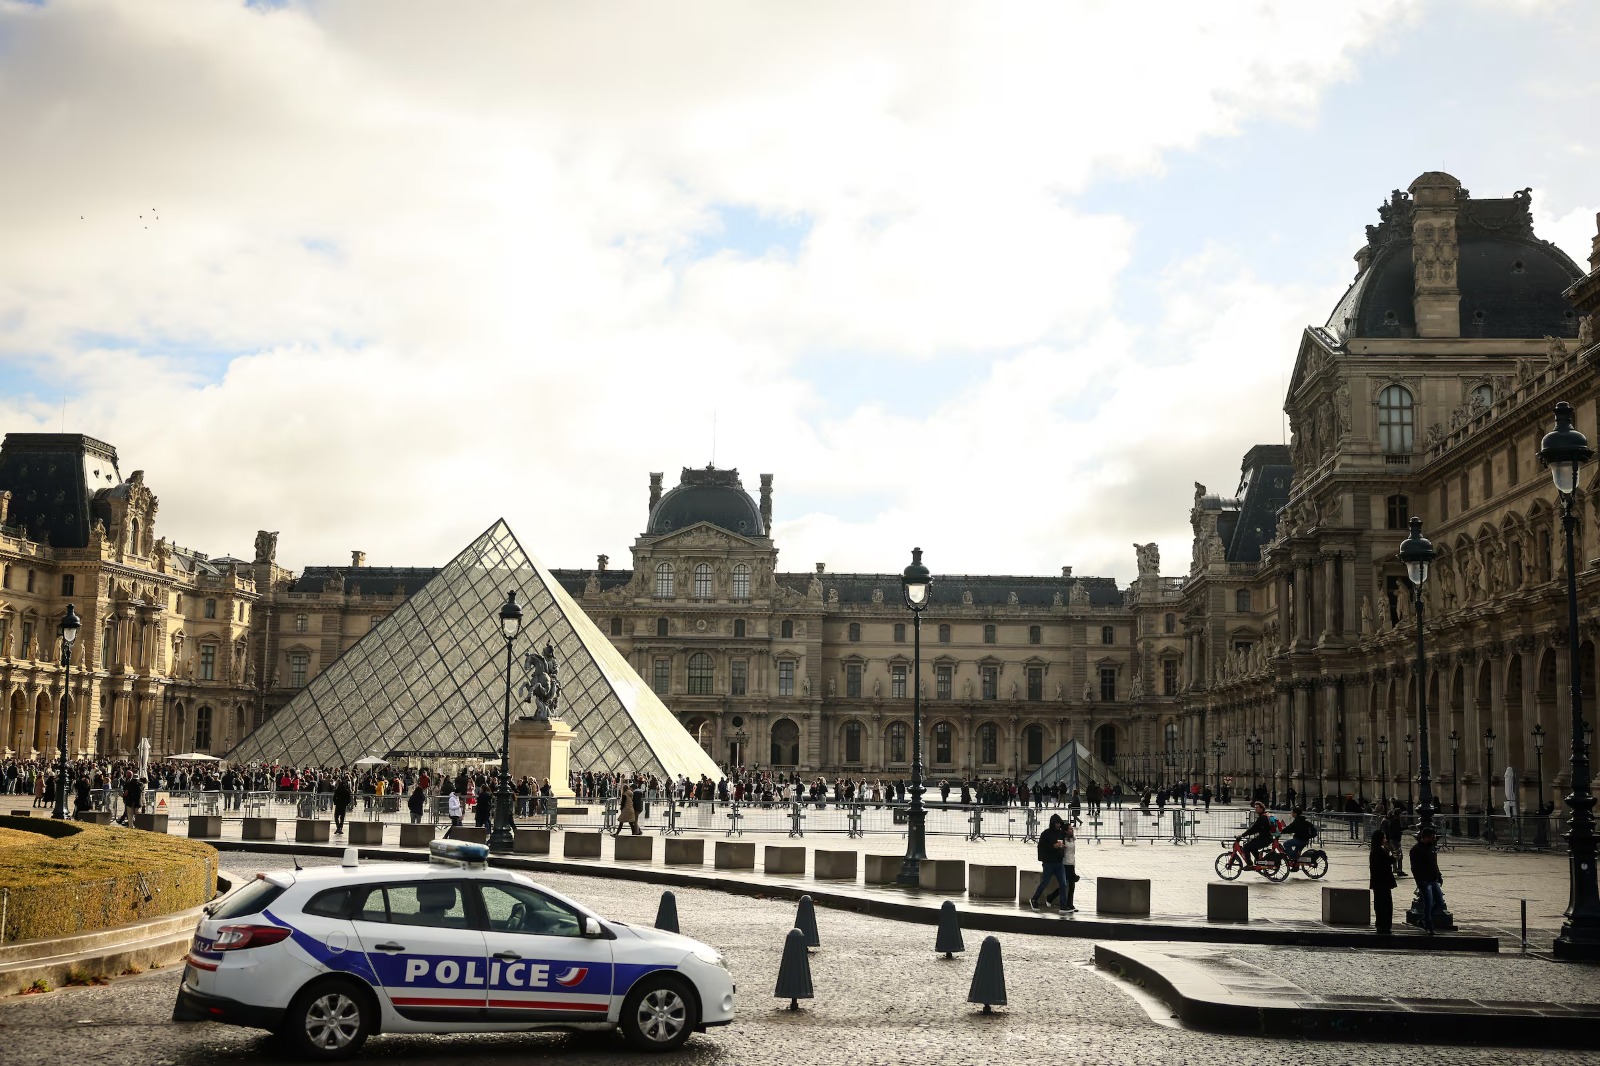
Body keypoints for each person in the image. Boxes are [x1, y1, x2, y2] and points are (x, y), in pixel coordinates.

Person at [1029, 813, 1071, 913]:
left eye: (1059, 823)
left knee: (1063, 884)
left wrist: (1062, 847)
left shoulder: (1061, 833)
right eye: (1056, 823)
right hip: (1048, 863)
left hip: (1059, 863)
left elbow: (1067, 835)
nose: (1058, 825)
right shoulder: (1046, 834)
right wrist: (1053, 847)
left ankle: (1063, 906)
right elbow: (1042, 848)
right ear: (1052, 823)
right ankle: (1034, 899)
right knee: (1045, 883)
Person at [1410, 824, 1445, 934]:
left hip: (1433, 879)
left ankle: (1425, 919)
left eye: (1433, 837)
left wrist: (1438, 875)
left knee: (1439, 902)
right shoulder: (1416, 850)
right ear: (1424, 837)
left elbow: (1434, 863)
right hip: (1424, 880)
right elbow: (1415, 868)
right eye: (1431, 837)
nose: (1433, 839)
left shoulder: (1431, 848)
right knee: (1428, 903)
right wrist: (1420, 880)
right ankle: (1429, 925)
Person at [1042, 821, 1080, 912]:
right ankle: (1062, 902)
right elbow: (1060, 850)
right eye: (1070, 829)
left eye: (1072, 829)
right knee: (1066, 885)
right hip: (1065, 863)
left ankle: (1067, 903)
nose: (1072, 830)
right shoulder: (1063, 839)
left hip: (1072, 863)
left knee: (1070, 885)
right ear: (1066, 831)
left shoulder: (1073, 839)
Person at [1369, 828, 1398, 934]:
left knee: (1380, 904)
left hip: (1378, 882)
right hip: (1383, 882)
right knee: (1385, 905)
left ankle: (1380, 923)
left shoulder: (1375, 850)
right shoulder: (1380, 851)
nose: (1385, 840)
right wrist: (1393, 858)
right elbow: (1384, 864)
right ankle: (1384, 925)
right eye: (1384, 838)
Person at [1239, 801, 1274, 866]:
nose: (1256, 809)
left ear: (1262, 808)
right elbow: (1256, 829)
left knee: (1246, 847)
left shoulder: (1262, 817)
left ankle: (1249, 865)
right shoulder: (1264, 816)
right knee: (1251, 845)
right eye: (1255, 808)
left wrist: (1243, 835)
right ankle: (1258, 860)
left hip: (1265, 839)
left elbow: (1254, 828)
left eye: (1257, 807)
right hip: (1266, 838)